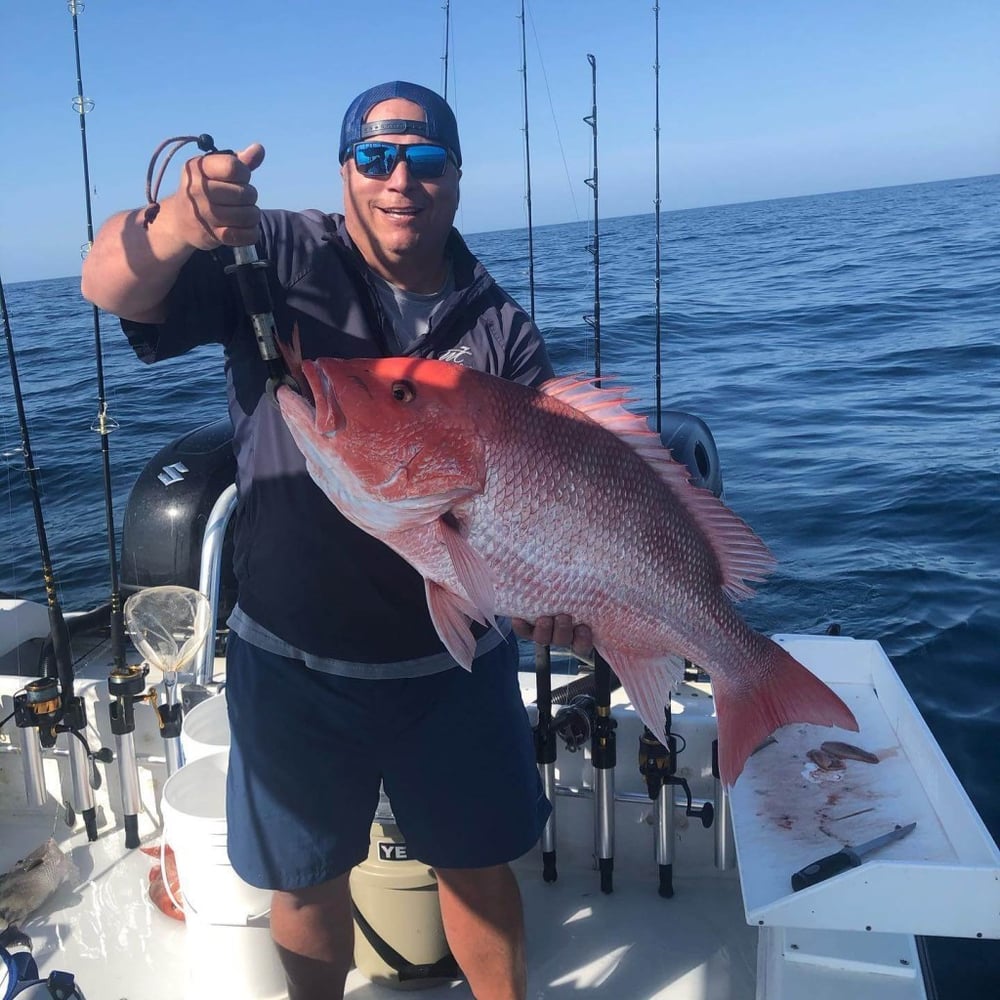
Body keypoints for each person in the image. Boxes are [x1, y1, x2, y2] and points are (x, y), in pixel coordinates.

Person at [82, 80, 591, 1000]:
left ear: (458, 178)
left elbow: (539, 503)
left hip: (456, 662)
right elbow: (110, 284)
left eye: (426, 160)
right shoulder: (272, 252)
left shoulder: (504, 332)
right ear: (347, 170)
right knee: (304, 885)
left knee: (478, 872)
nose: (402, 180)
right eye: (376, 156)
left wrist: (570, 599)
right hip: (291, 660)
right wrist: (172, 226)